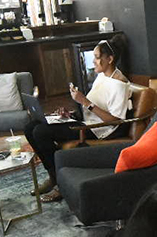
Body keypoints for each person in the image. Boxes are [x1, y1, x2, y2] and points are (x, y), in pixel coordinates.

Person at [24, 38, 131, 202]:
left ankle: (60, 181)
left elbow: (115, 121)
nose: (93, 61)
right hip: (87, 123)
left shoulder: (119, 84)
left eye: (96, 57)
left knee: (40, 132)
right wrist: (71, 114)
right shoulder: (103, 77)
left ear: (110, 59)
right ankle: (54, 176)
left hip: (101, 130)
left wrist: (85, 102)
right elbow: (93, 109)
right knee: (30, 127)